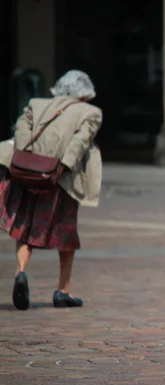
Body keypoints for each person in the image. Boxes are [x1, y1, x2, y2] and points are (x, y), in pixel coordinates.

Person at [0, 70, 103, 310]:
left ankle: (20, 272)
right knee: (65, 233)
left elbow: (21, 129)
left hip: (29, 172)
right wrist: (63, 166)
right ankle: (62, 290)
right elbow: (80, 141)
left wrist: (29, 156)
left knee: (26, 227)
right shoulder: (90, 112)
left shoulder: (35, 104)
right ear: (85, 95)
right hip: (60, 179)